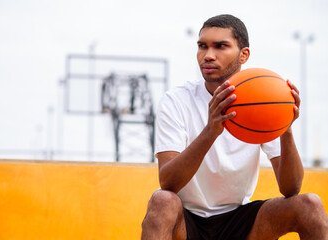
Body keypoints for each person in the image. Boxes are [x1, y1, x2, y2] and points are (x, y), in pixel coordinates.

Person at [141, 14, 328, 240]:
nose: (208, 55)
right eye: (202, 46)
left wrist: (284, 128)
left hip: (241, 222)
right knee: (162, 201)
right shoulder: (176, 100)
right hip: (187, 221)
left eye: (220, 46)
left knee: (309, 204)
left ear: (244, 55)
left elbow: (291, 189)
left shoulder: (261, 99)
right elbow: (168, 182)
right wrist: (210, 131)